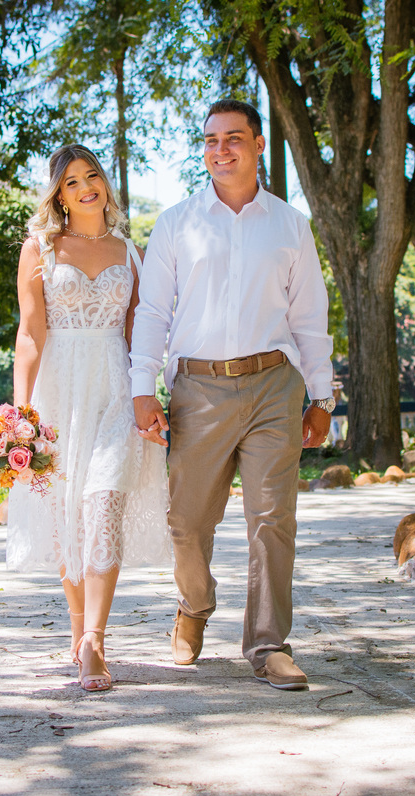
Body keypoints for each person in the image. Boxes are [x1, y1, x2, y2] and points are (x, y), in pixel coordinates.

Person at [130, 99, 334, 691]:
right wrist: (144, 387)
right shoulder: (175, 223)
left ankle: (268, 645)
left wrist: (321, 398)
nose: (221, 150)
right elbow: (152, 313)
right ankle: (195, 606)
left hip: (274, 385)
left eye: (234, 138)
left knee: (272, 519)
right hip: (198, 387)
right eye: (212, 140)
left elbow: (309, 317)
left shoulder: (290, 225)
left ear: (259, 145)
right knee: (187, 523)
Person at [7, 144, 171, 692]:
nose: (84, 188)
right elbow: (30, 335)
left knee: (103, 505)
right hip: (59, 389)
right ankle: (78, 634)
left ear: (104, 183)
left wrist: (147, 397)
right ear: (58, 193)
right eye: (71, 181)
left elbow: (138, 334)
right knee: (67, 514)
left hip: (114, 388)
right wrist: (20, 416)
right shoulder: (41, 249)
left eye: (92, 176)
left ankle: (96, 639)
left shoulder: (131, 251)